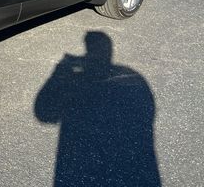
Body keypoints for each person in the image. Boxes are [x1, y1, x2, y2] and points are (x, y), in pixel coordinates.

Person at [34, 31, 160, 186]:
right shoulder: (132, 77)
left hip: (84, 162)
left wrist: (60, 72)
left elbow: (44, 113)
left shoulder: (84, 76)